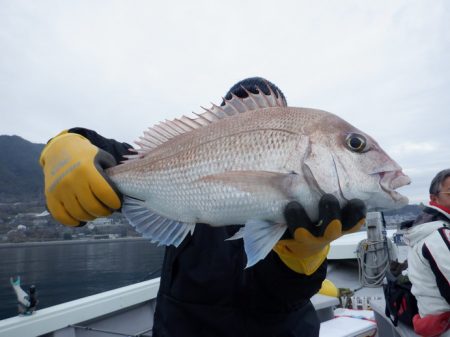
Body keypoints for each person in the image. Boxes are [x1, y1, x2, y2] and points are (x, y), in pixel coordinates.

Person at [39, 77, 366, 337]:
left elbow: (286, 295)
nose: (250, 122)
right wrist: (70, 141)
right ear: (215, 124)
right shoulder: (186, 149)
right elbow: (115, 158)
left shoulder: (312, 205)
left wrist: (304, 261)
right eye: (236, 114)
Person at [404, 169, 450, 337]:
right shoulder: (437, 235)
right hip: (443, 324)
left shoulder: (426, 227)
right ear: (434, 198)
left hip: (429, 316)